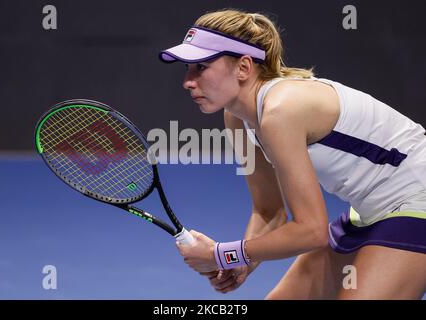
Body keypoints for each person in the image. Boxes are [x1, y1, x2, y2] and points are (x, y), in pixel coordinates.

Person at [158, 9, 426, 299]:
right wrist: (244, 260)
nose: (188, 81)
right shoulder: (236, 117)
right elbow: (269, 211)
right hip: (372, 210)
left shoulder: (281, 111)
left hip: (417, 197)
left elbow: (312, 231)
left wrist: (223, 255)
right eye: (187, 68)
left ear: (244, 67)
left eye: (201, 67)